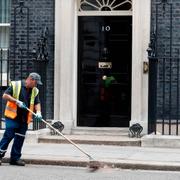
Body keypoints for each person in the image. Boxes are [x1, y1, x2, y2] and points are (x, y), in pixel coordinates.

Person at [0, 72, 43, 166]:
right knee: (9, 135)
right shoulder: (16, 85)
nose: (36, 85)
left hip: (24, 118)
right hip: (12, 116)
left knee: (20, 138)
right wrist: (16, 101)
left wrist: (39, 112)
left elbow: (37, 102)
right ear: (31, 79)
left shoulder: (34, 90)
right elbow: (5, 95)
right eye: (36, 83)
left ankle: (15, 159)